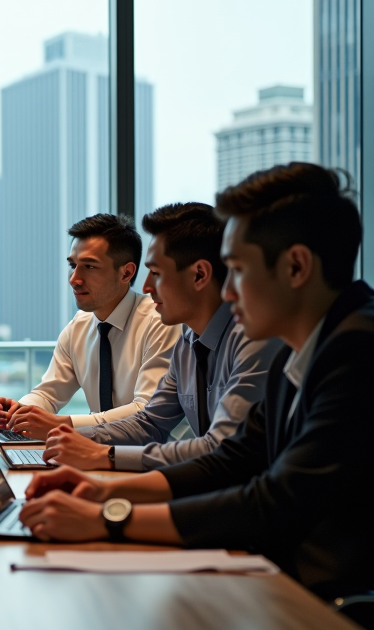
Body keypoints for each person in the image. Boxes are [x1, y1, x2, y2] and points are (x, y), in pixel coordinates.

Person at [19, 164, 373, 600]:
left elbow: (273, 501)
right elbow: (235, 458)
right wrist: (98, 491)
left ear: (296, 267)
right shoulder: (303, 347)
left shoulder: (356, 351)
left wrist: (110, 516)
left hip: (333, 607)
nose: (227, 293)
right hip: (286, 580)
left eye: (238, 270)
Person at [43, 202, 281, 471]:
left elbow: (222, 446)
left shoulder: (254, 340)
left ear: (200, 275)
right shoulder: (188, 343)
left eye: (156, 273)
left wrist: (106, 456)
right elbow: (150, 423)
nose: (145, 287)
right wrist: (67, 439)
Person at [0, 213, 180, 440]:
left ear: (126, 273)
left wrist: (64, 424)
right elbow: (49, 394)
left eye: (89, 266)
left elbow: (146, 410)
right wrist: (21, 411)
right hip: (95, 452)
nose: (74, 278)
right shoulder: (79, 327)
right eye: (73, 265)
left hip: (157, 457)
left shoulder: (160, 321)